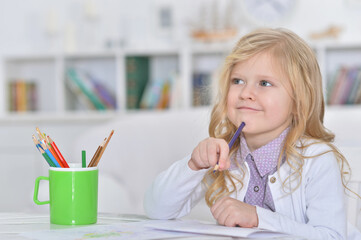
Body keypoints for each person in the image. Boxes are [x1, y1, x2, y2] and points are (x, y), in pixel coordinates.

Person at [144, 28, 361, 239]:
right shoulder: (225, 155)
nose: (246, 93)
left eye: (264, 83)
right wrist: (193, 165)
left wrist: (257, 218)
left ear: (298, 102)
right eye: (237, 81)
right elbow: (157, 210)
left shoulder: (317, 159)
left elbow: (331, 236)